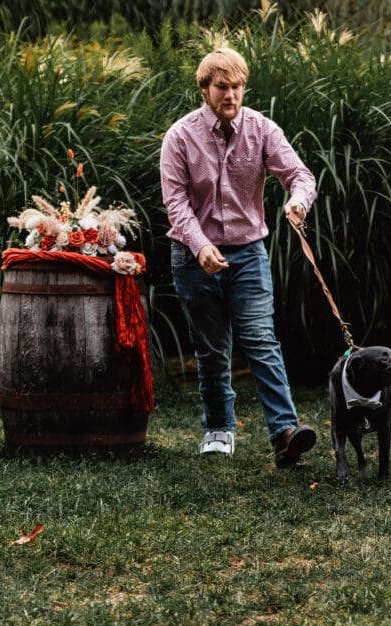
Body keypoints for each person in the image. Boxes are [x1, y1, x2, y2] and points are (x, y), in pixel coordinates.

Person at [160, 47, 318, 465]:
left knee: (260, 339)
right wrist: (201, 247)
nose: (230, 95)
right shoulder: (180, 136)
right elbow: (176, 204)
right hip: (193, 257)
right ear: (205, 89)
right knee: (212, 350)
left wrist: (297, 201)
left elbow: (300, 175)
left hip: (248, 253)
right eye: (222, 87)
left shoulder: (262, 130)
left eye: (237, 87)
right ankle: (219, 428)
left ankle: (285, 432)